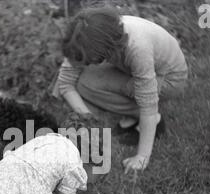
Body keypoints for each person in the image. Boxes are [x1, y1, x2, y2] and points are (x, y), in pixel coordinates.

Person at [52, 7, 188, 173]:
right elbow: (65, 82)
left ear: (103, 51)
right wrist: (89, 123)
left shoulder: (138, 48)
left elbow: (148, 105)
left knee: (140, 96)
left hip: (169, 79)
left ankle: (153, 121)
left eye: (88, 60)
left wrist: (142, 157)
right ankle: (131, 114)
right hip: (133, 69)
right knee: (84, 83)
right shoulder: (84, 37)